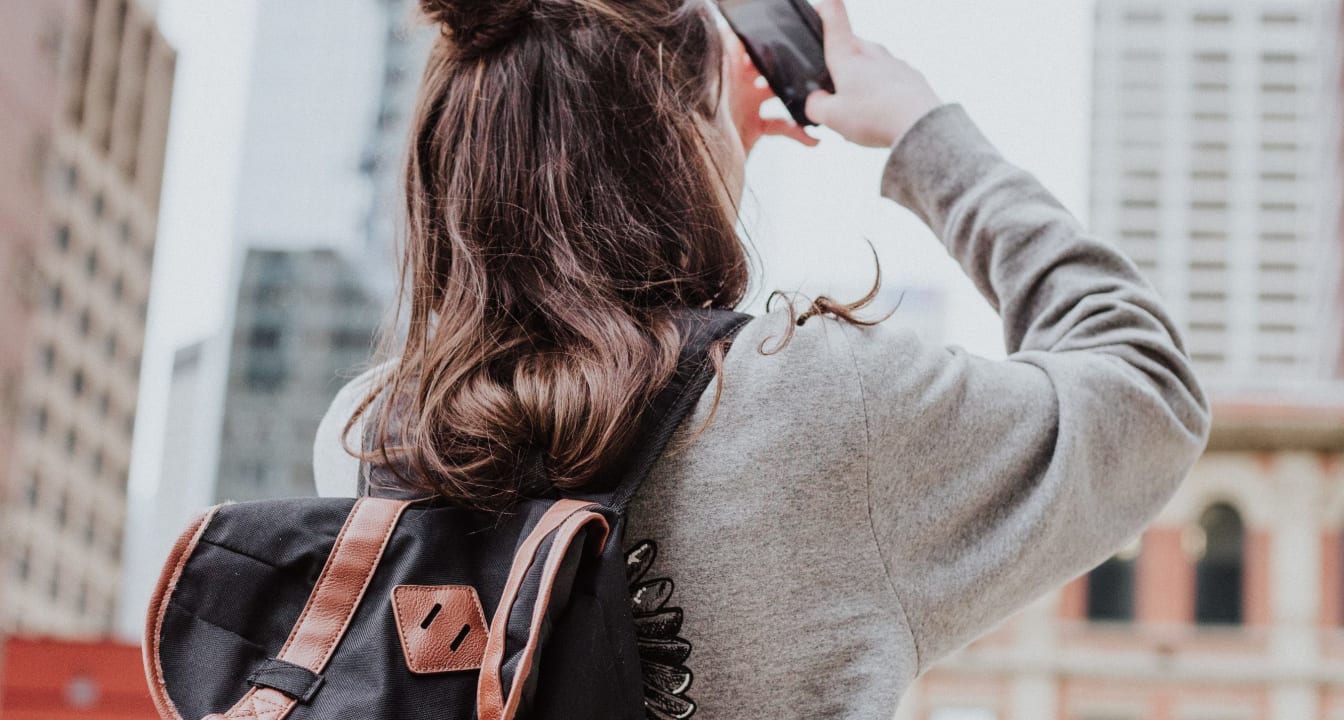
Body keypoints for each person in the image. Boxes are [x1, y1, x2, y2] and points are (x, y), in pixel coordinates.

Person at [312, 0, 1211, 716]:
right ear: (677, 143)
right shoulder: (820, 405)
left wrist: (705, 120)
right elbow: (1147, 388)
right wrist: (919, 128)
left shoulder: (370, 438)